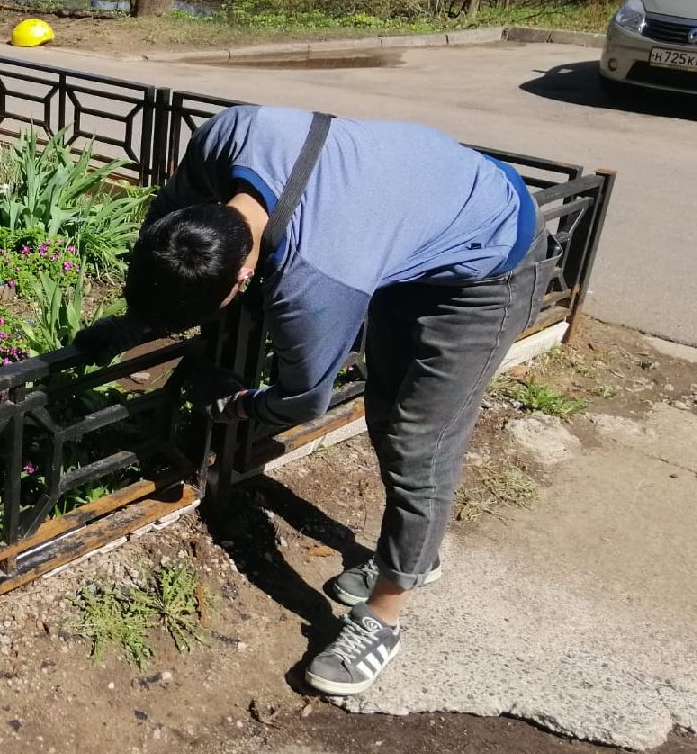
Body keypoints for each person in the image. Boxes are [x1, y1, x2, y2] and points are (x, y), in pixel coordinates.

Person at [78, 105, 552, 696]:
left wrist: (237, 405)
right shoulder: (225, 137)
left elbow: (304, 400)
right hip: (407, 216)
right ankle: (416, 551)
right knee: (383, 408)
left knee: (417, 441)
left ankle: (384, 616)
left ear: (244, 276)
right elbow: (170, 237)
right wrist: (132, 322)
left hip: (486, 258)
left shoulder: (318, 281)